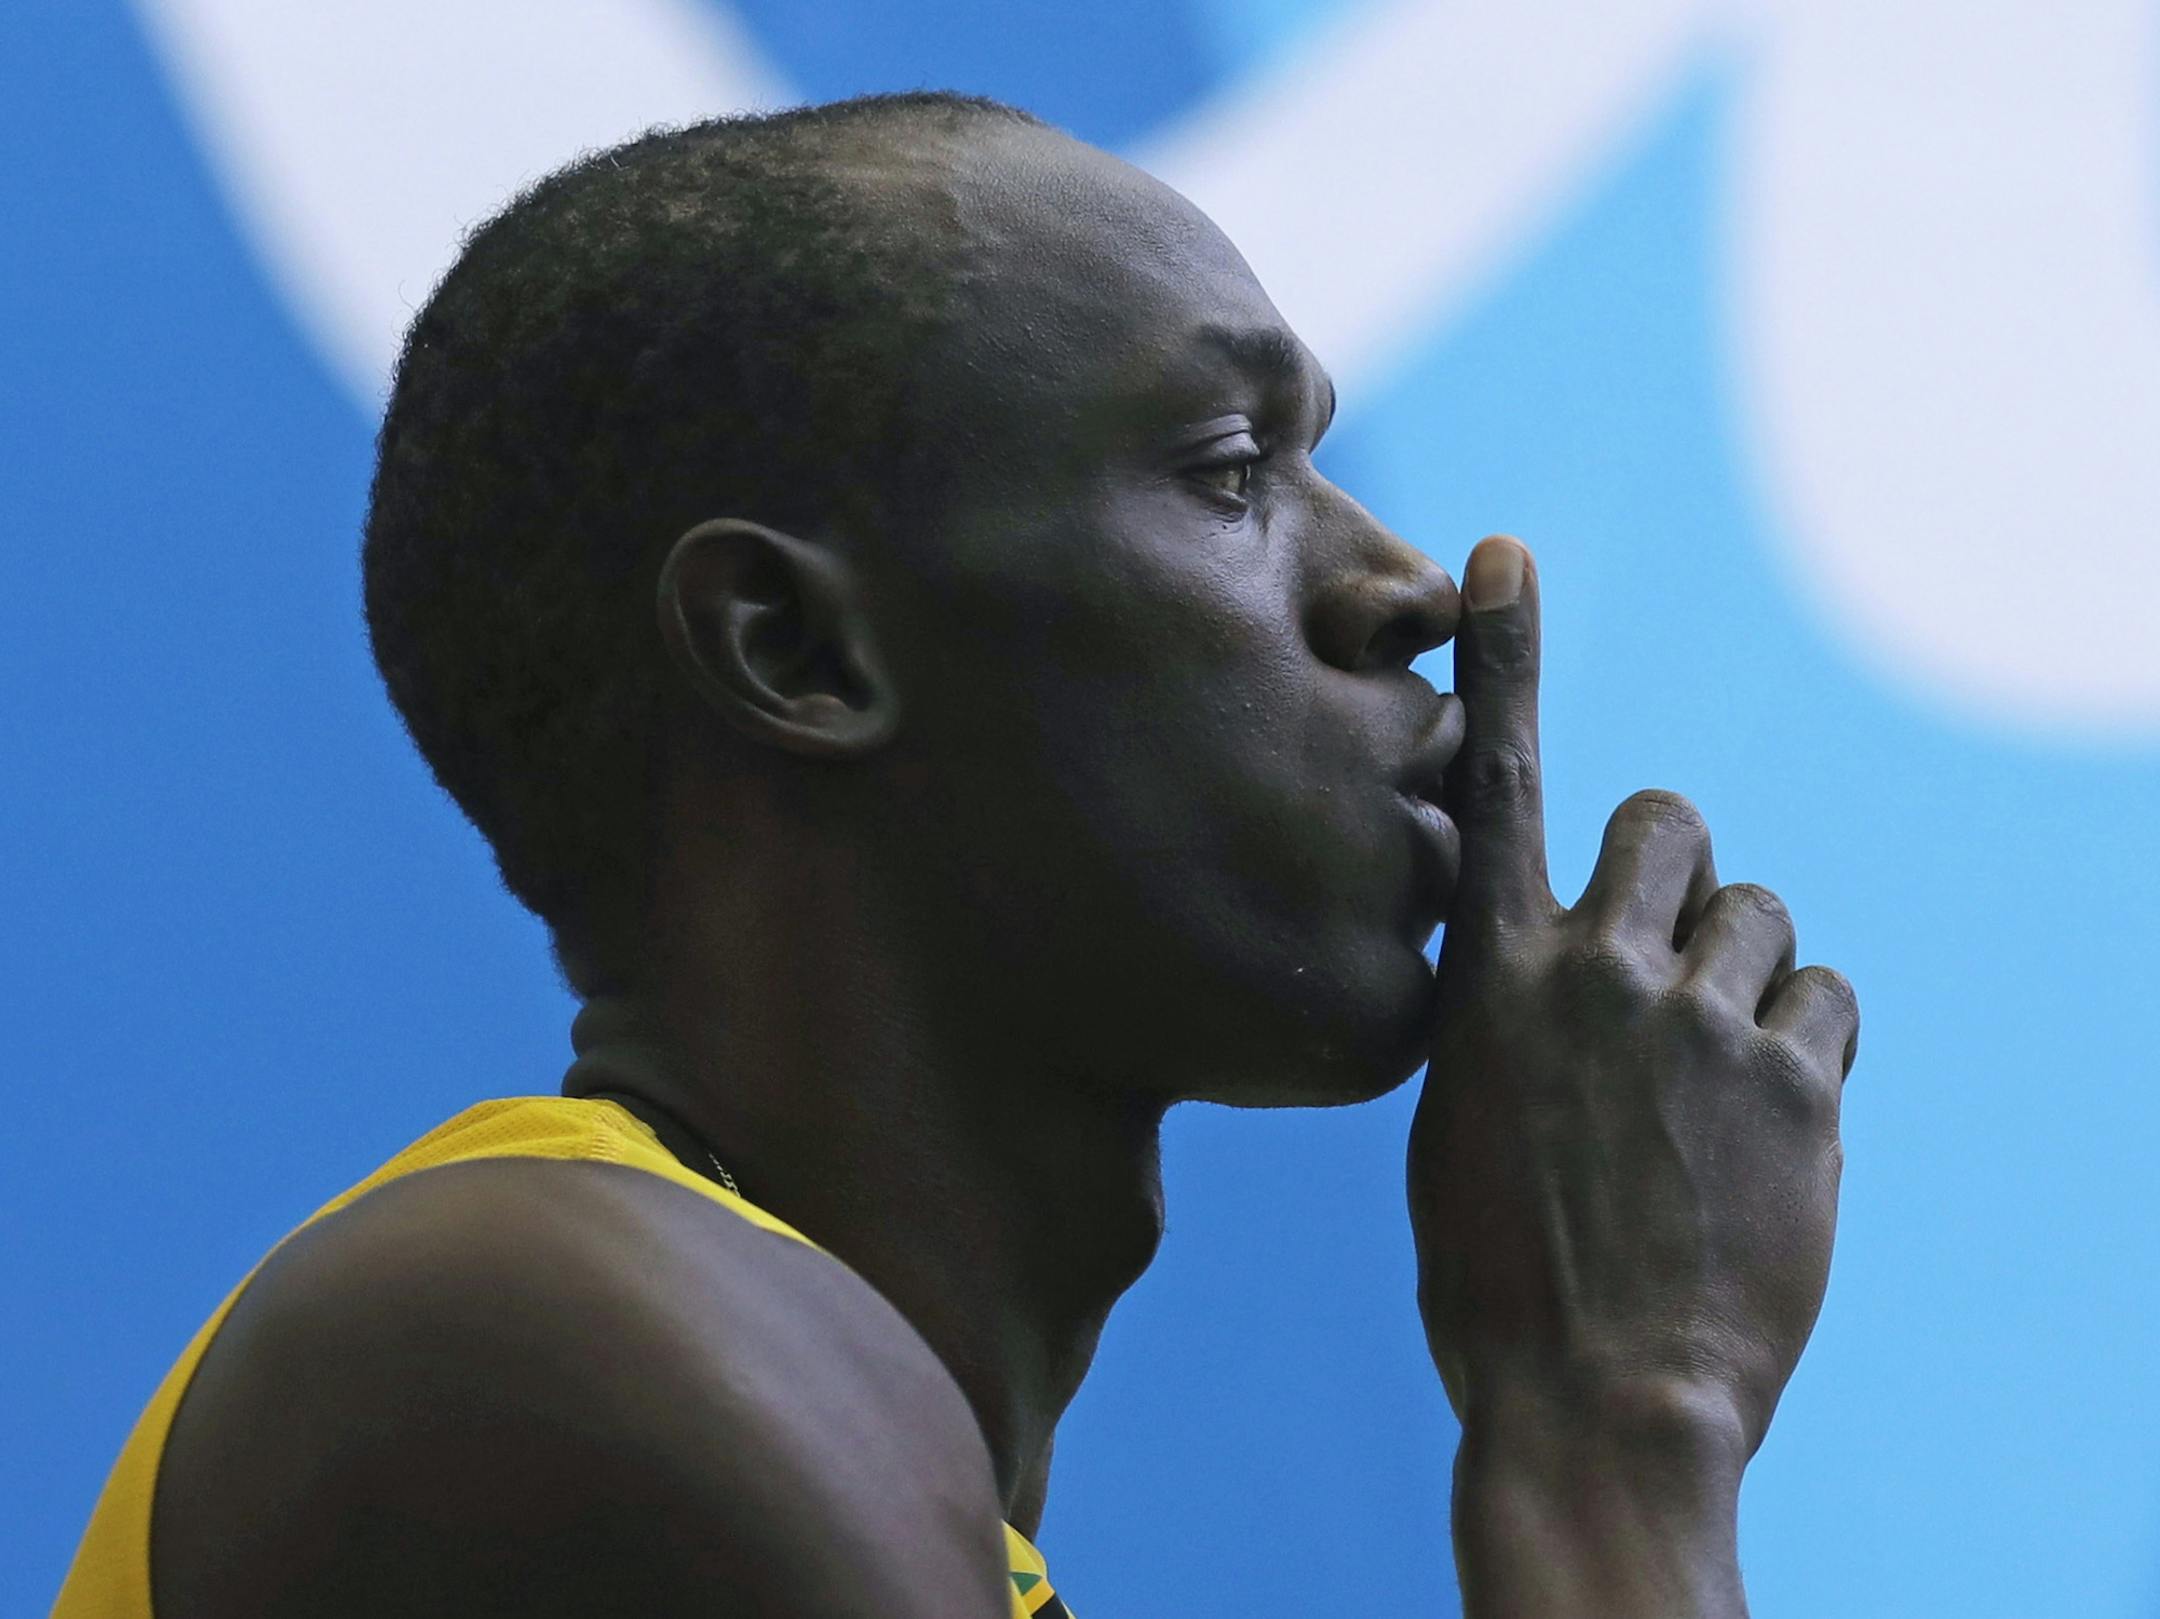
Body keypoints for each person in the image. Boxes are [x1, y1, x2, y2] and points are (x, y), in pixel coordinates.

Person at [54, 91, 1858, 1618]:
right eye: (1232, 470)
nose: (1401, 589)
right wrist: (1621, 1418)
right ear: (797, 651)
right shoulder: (540, 1336)